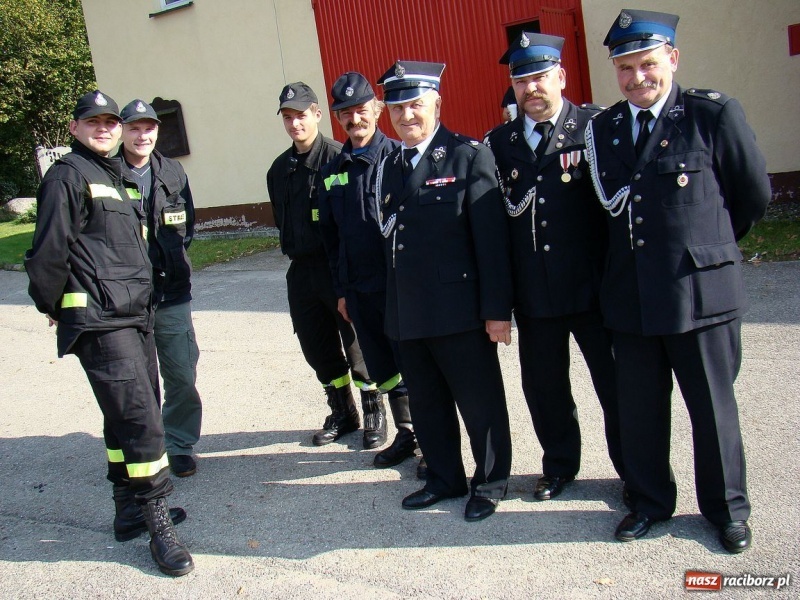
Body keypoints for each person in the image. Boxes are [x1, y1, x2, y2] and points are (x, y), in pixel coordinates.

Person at [584, 9, 770, 552]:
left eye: (647, 64)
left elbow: (751, 196)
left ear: (672, 58)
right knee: (640, 412)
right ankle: (648, 502)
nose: (636, 77)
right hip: (632, 299)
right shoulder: (604, 129)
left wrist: (708, 250)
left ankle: (726, 510)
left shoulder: (710, 114)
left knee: (712, 411)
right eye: (625, 68)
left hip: (700, 295)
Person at [25, 90, 194, 576]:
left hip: (134, 314)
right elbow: (48, 251)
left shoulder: (112, 176)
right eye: (92, 122)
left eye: (109, 122)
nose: (103, 129)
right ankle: (158, 522)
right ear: (74, 128)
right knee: (141, 419)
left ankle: (128, 511)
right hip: (100, 321)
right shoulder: (68, 176)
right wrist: (55, 305)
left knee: (125, 417)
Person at [485, 33, 624, 503]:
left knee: (617, 387)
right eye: (521, 80)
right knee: (546, 391)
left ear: (561, 77)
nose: (532, 88)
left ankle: (634, 471)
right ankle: (560, 466)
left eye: (541, 76)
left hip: (594, 291)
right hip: (535, 295)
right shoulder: (498, 144)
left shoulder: (594, 127)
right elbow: (496, 230)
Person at [376, 61, 514, 521]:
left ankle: (490, 482)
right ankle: (443, 477)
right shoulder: (389, 164)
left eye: (415, 105)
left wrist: (497, 311)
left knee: (479, 404)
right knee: (428, 404)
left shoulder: (468, 156)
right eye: (397, 108)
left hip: (459, 312)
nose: (406, 116)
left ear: (437, 102)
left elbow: (492, 243)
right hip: (408, 311)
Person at [318, 72, 426, 476]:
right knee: (384, 367)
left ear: (377, 110)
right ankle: (407, 432)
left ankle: (432, 441)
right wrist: (342, 290)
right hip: (359, 289)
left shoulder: (397, 158)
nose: (354, 119)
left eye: (361, 110)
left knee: (416, 365)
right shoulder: (333, 170)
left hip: (398, 287)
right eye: (345, 113)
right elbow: (332, 239)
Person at [267, 82, 380, 449]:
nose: (294, 123)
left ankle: (373, 411)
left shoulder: (336, 159)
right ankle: (343, 412)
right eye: (287, 117)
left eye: (301, 115)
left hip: (336, 266)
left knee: (357, 345)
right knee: (316, 347)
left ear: (317, 114)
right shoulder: (279, 169)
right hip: (301, 270)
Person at [118, 99, 203, 478]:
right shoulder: (107, 174)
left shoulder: (173, 171)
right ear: (122, 131)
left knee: (182, 375)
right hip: (125, 300)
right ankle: (146, 447)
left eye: (148, 128)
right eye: (134, 128)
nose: (142, 135)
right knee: (135, 381)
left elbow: (187, 227)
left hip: (172, 294)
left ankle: (179, 443)